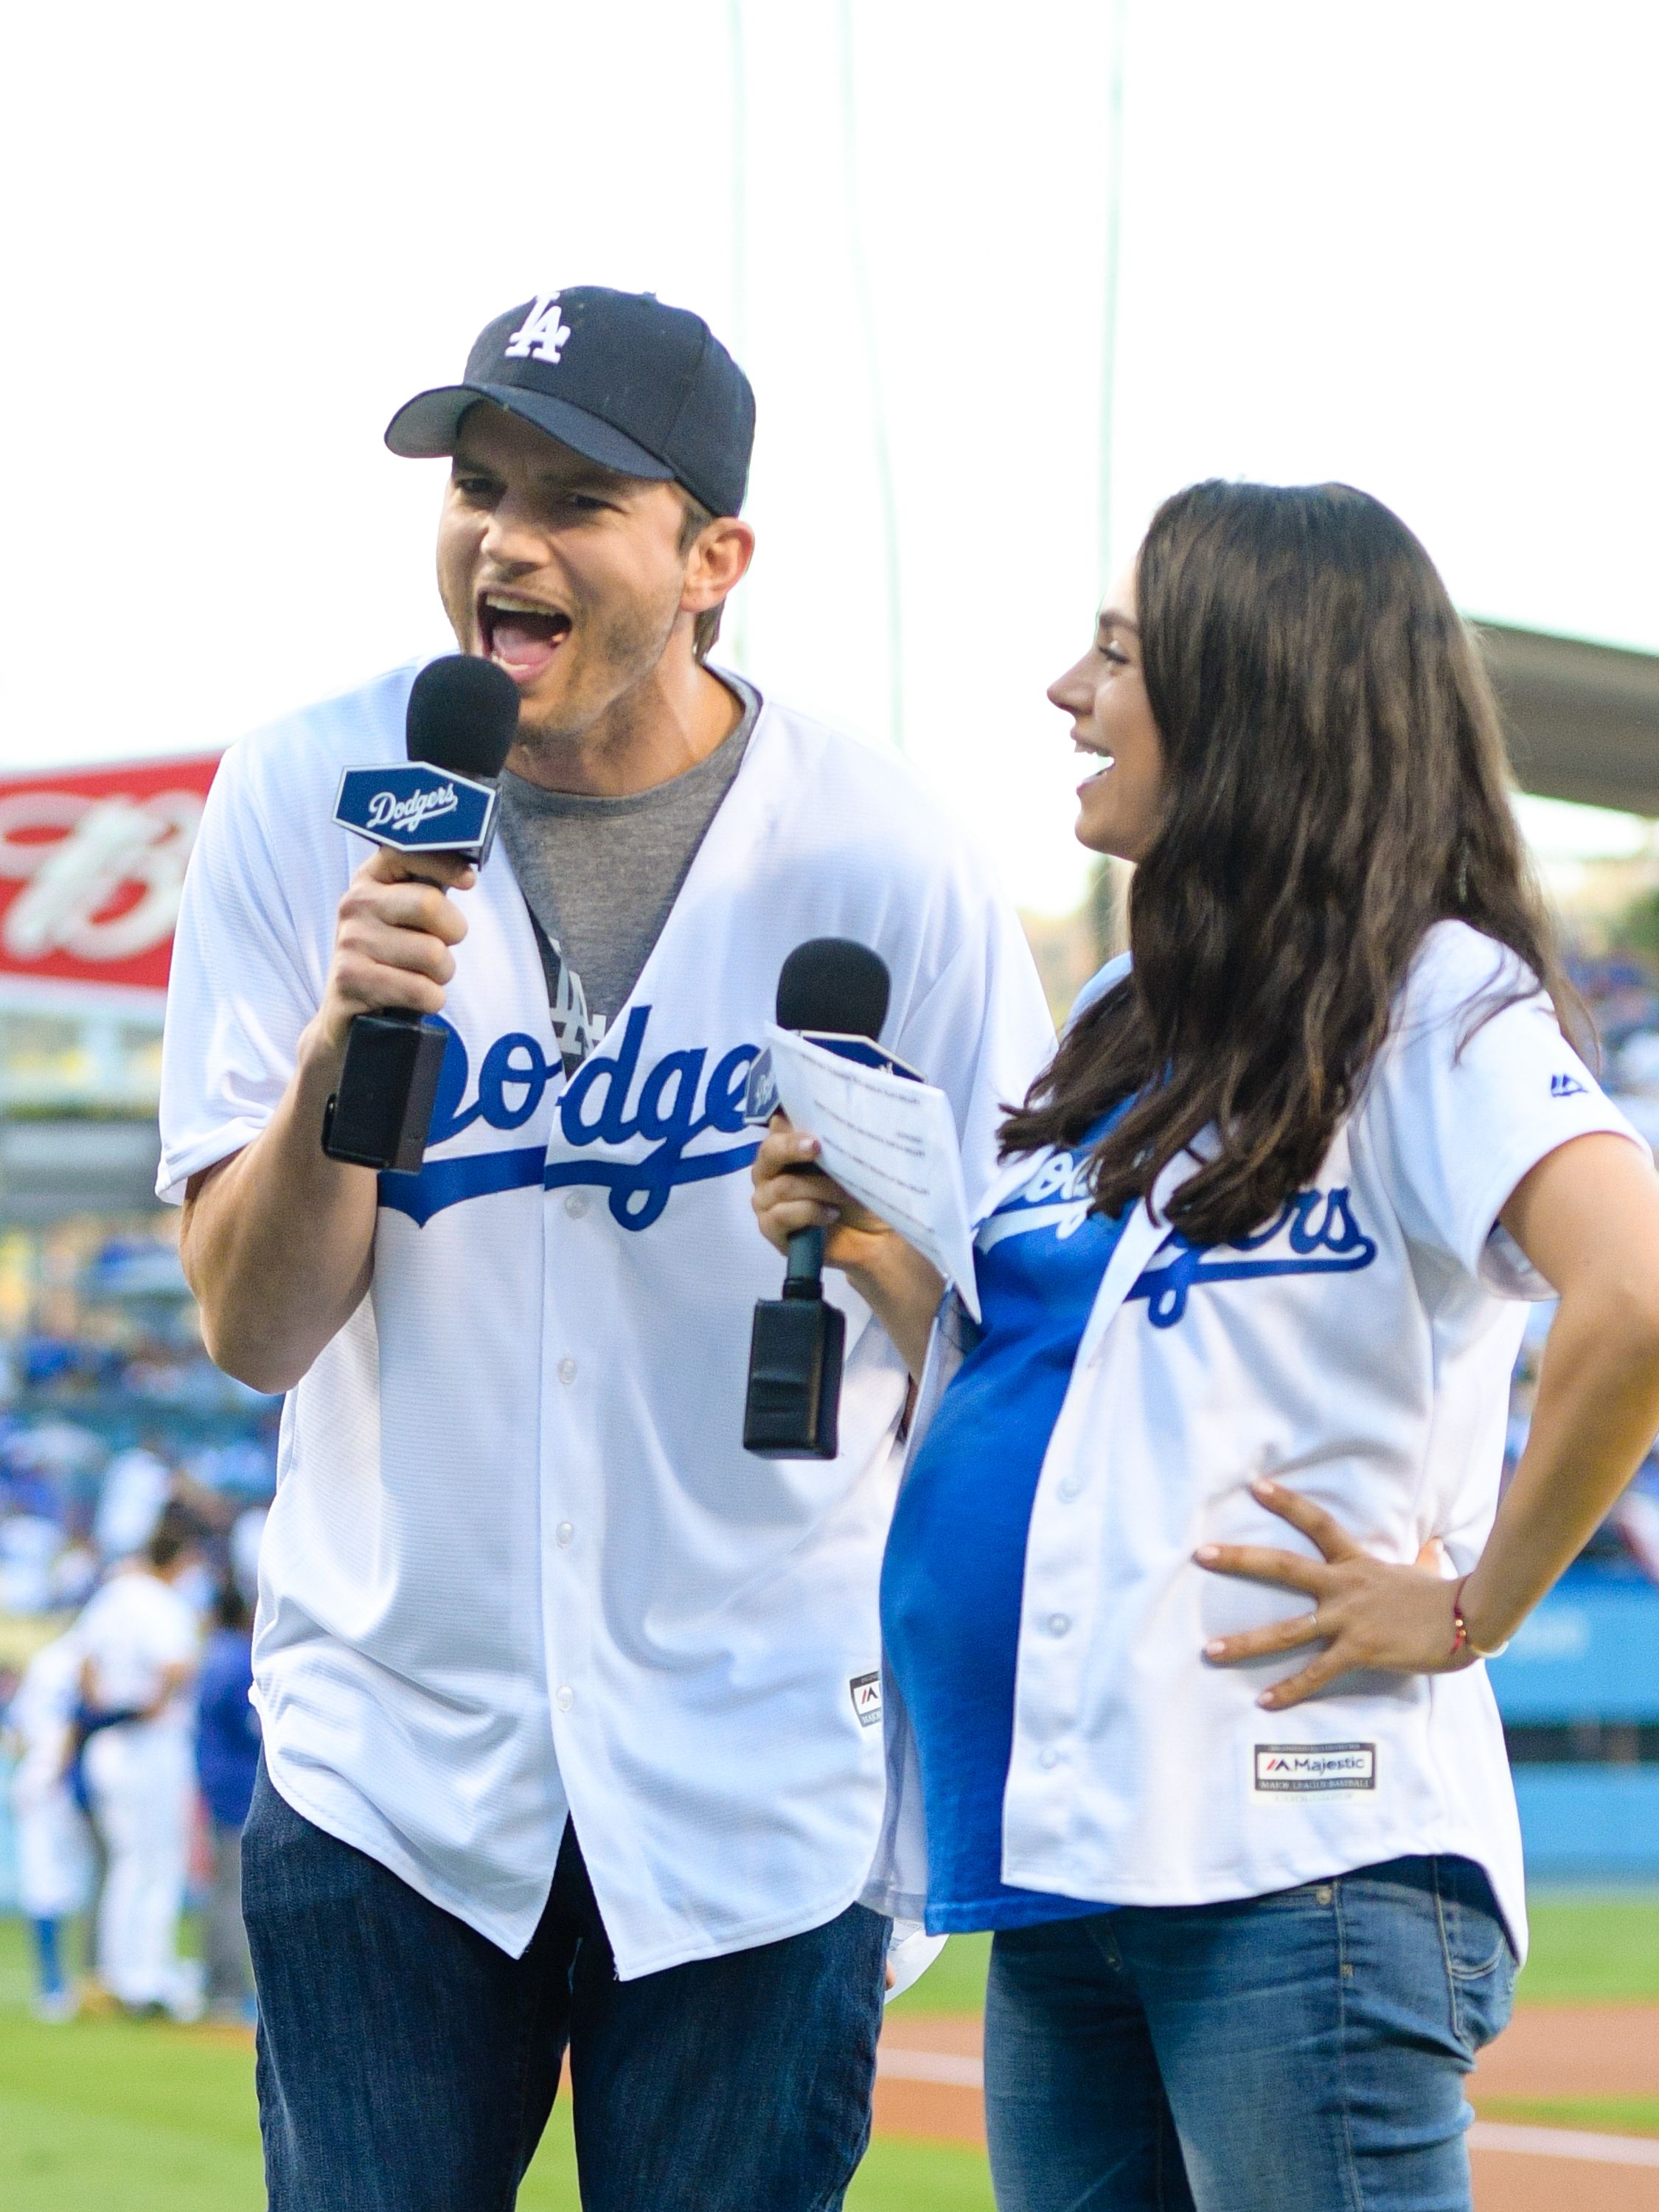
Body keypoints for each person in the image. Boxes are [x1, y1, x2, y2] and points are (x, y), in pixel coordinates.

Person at [161, 283, 1052, 2211]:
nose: (508, 537)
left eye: (578, 498)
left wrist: (878, 1237)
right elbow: (255, 1328)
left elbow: (1018, 1326)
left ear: (714, 557)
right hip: (393, 1762)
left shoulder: (887, 856)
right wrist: (345, 1044)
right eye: (480, 484)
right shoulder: (305, 800)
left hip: (760, 1767)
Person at [752, 481, 1659, 2212]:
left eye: (1115, 653)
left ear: (1250, 696)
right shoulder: (1134, 1030)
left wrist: (1467, 1602)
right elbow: (1068, 1387)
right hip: (1063, 1862)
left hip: (1297, 1853)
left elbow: (1645, 1292)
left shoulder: (1432, 997)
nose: (1065, 690)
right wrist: (887, 1258)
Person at [73, 1505, 206, 2020]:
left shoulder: (115, 1592)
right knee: (158, 1864)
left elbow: (84, 1662)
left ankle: (117, 1974)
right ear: (182, 1557)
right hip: (150, 1744)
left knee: (128, 1863)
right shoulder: (162, 1603)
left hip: (109, 1740)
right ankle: (147, 1980)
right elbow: (177, 1665)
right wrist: (152, 1703)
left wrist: (104, 1705)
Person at [4, 1631, 95, 2020]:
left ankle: (59, 1983)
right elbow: (68, 1725)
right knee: (64, 1882)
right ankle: (63, 1984)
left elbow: (18, 1731)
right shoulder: (76, 1659)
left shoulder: (47, 1659)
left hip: (36, 1778)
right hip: (59, 1781)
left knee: (51, 1882)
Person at [195, 1575, 259, 2021]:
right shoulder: (237, 1661)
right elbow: (253, 1726)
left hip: (218, 1783)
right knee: (233, 1893)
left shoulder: (213, 1656)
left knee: (221, 1890)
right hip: (238, 1788)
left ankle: (217, 1981)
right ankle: (227, 1986)